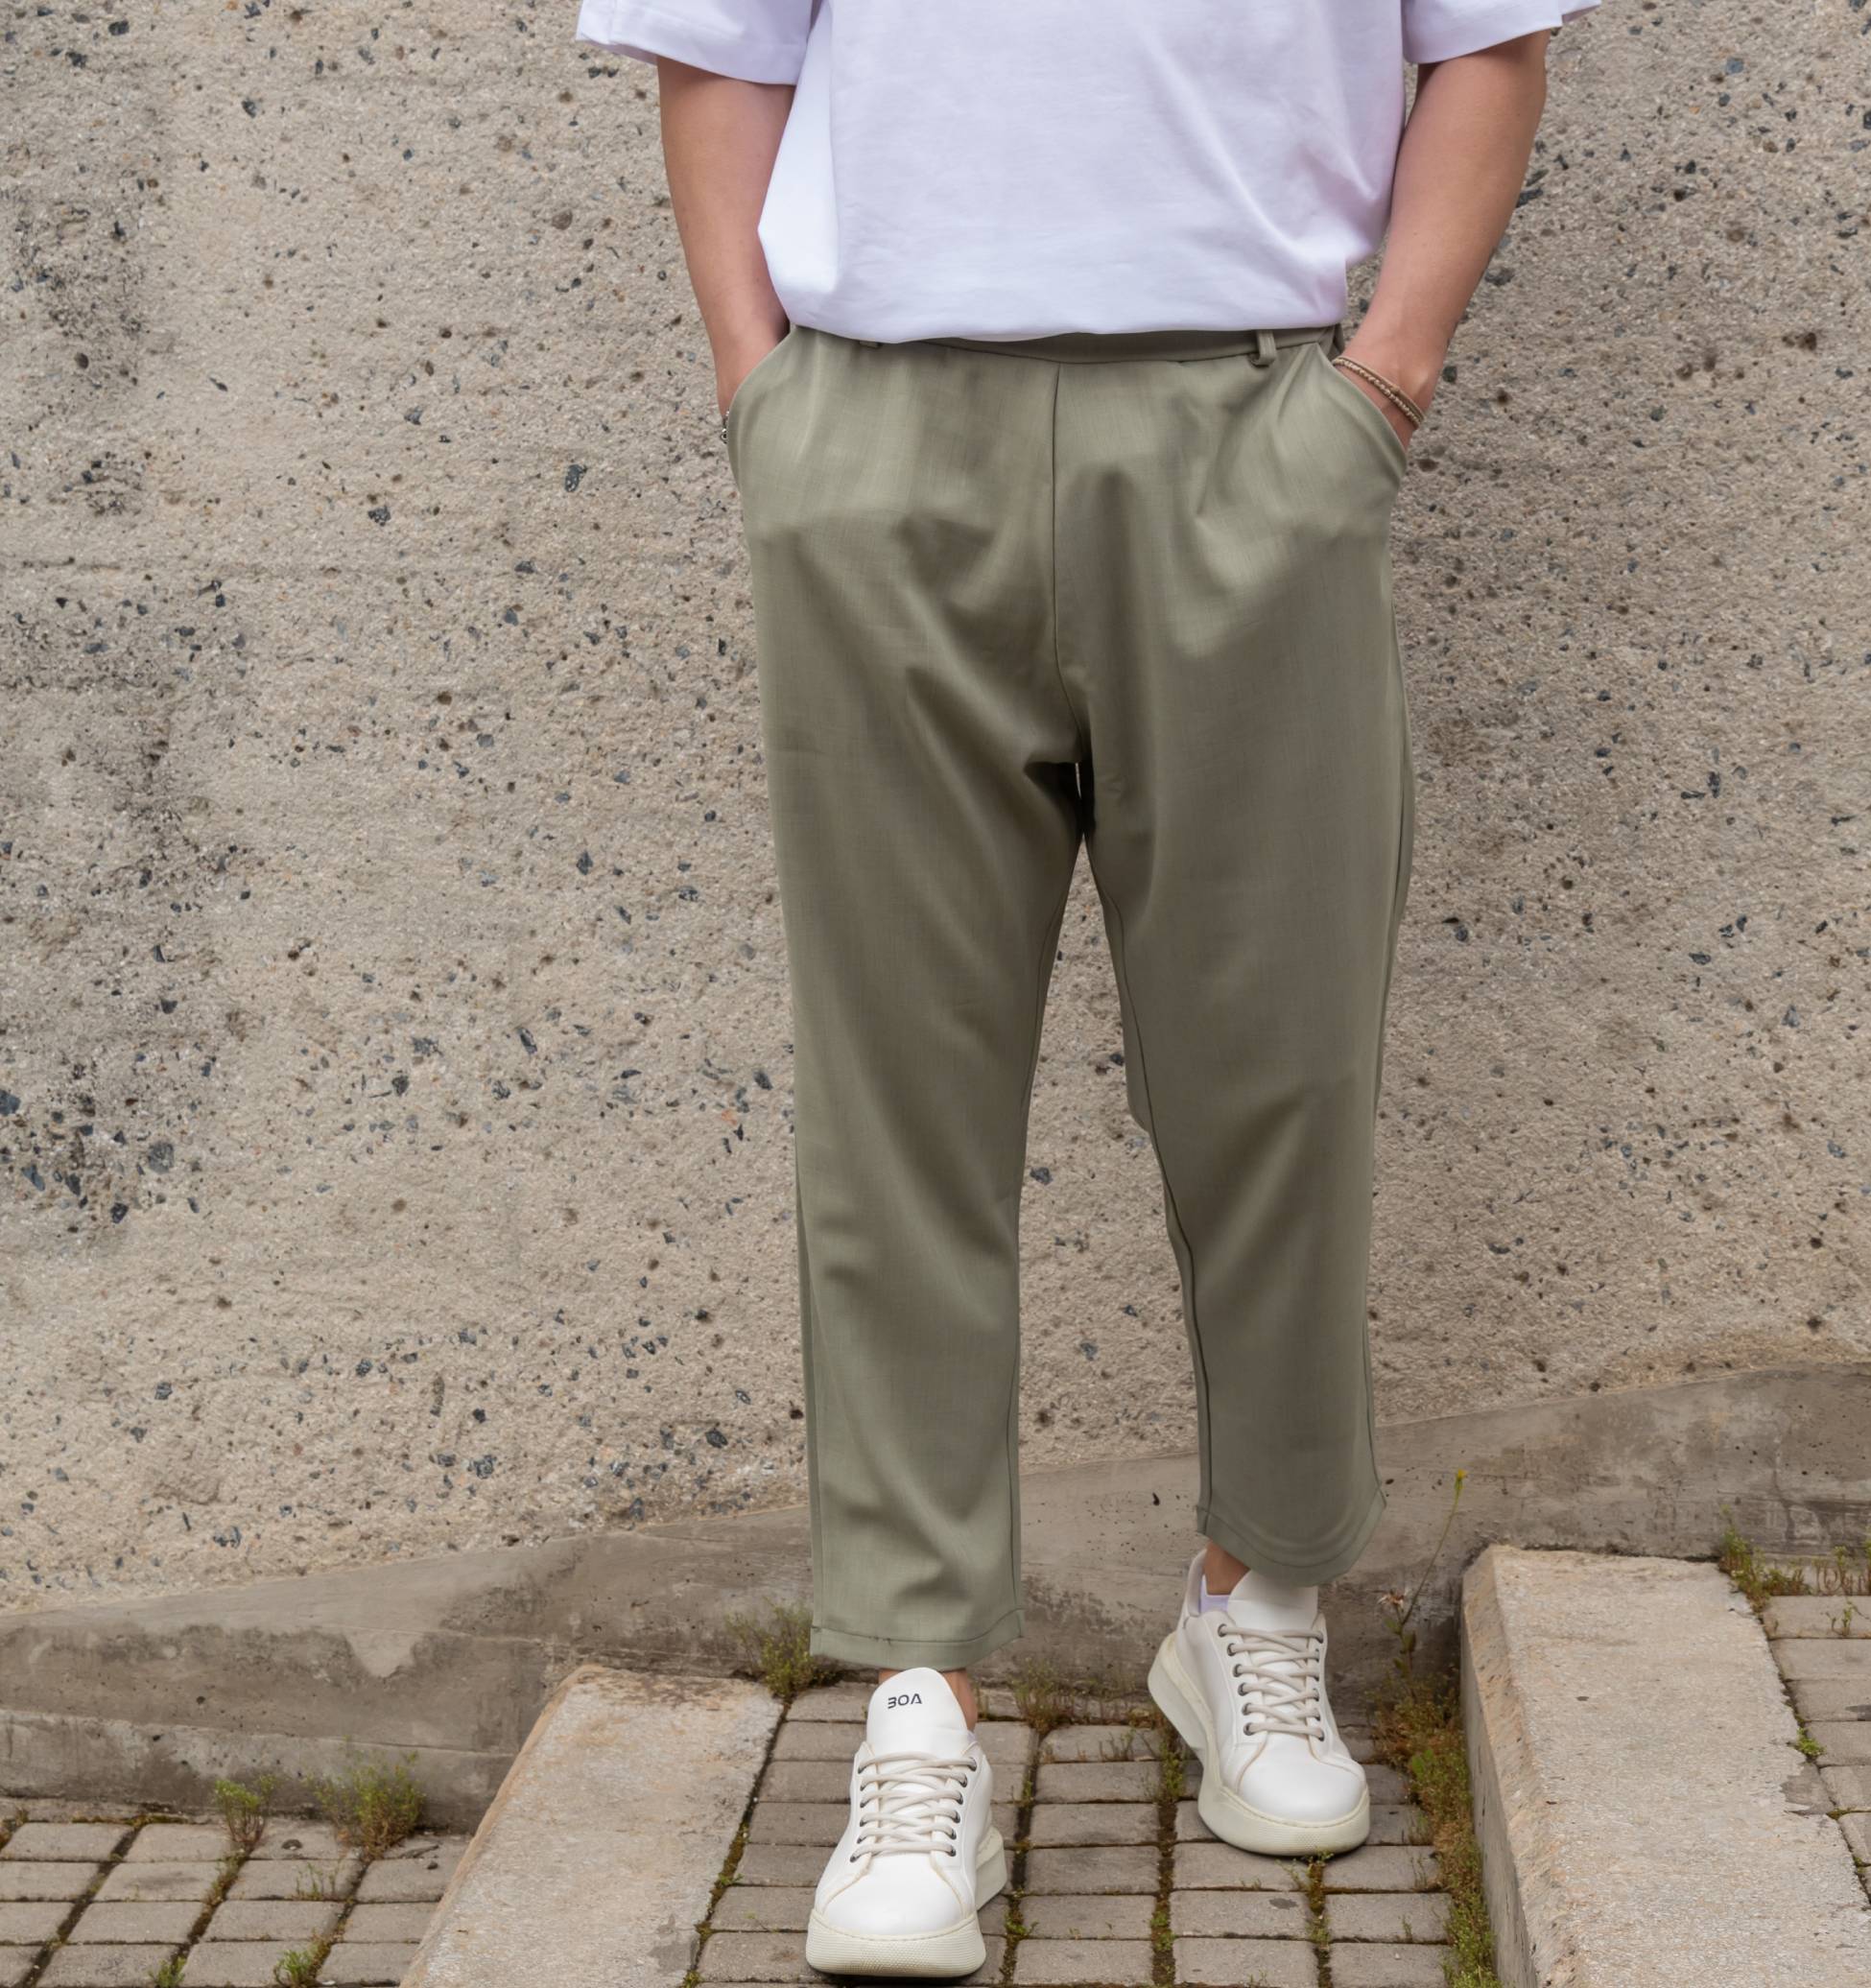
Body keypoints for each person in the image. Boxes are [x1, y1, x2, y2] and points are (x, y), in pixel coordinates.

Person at [573, 0, 1599, 1974]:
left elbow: (1487, 45)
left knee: (1278, 1070)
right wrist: (763, 401)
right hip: (880, 436)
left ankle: (1255, 1604)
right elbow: (718, 44)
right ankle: (917, 1704)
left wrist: (1380, 386)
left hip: (1249, 435)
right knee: (900, 1105)